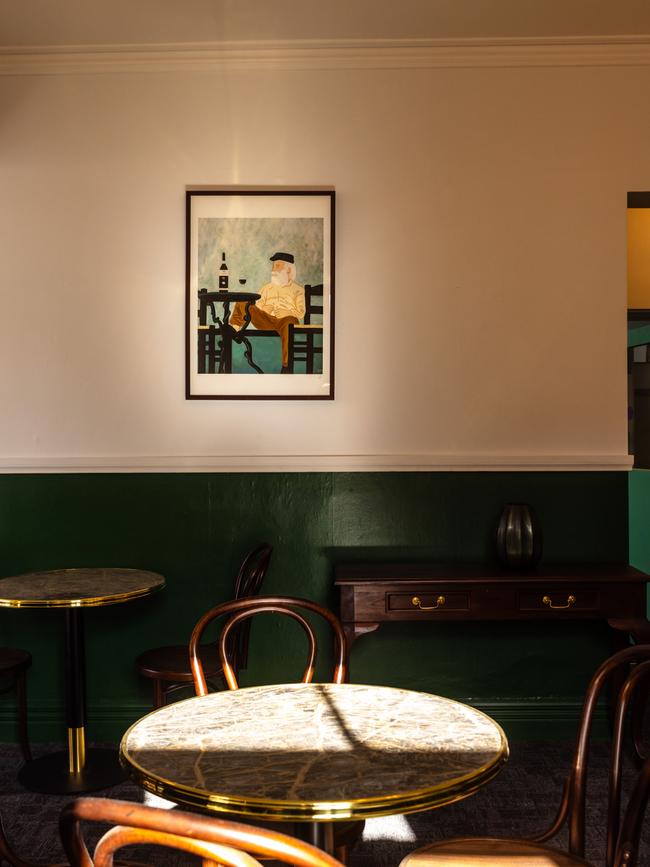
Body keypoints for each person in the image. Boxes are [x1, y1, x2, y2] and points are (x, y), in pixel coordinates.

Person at [230, 252, 305, 372]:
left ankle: (286, 367)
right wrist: (265, 309)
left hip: (286, 322)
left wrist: (287, 311)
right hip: (266, 320)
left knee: (290, 322)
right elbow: (257, 306)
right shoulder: (266, 288)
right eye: (273, 266)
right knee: (243, 302)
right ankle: (234, 330)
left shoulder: (298, 290)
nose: (273, 270)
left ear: (289, 270)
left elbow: (301, 313)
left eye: (277, 266)